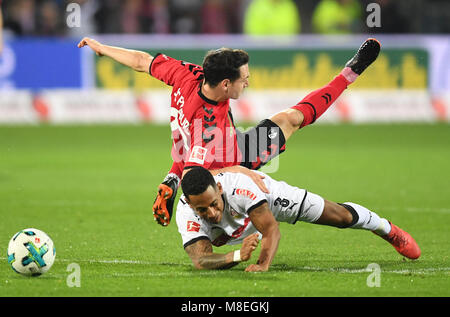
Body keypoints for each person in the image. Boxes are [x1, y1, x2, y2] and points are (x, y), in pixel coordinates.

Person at [77, 37, 381, 226]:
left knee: (292, 117)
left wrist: (102, 48)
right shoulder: (207, 124)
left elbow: (143, 61)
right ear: (226, 84)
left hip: (235, 146)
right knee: (230, 208)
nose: (247, 82)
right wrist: (177, 180)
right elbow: (201, 172)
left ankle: (349, 72)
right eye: (244, 78)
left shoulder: (189, 73)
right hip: (227, 167)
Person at [177, 167, 421, 271]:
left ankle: (385, 228)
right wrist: (239, 256)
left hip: (268, 201)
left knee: (341, 217)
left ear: (219, 188)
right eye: (202, 210)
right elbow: (200, 260)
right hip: (237, 228)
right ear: (189, 203)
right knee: (213, 244)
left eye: (213, 204)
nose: (211, 213)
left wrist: (262, 265)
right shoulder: (185, 211)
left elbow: (271, 229)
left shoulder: (240, 187)